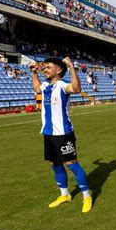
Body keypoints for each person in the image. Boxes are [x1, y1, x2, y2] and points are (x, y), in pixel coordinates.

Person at [29, 57, 92, 213]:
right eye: (45, 67)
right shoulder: (45, 86)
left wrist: (71, 66)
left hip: (63, 133)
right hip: (48, 133)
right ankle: (65, 195)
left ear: (58, 70)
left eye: (48, 67)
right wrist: (34, 73)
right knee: (55, 165)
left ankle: (87, 196)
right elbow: (37, 88)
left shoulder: (62, 85)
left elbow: (76, 89)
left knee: (72, 165)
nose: (45, 69)